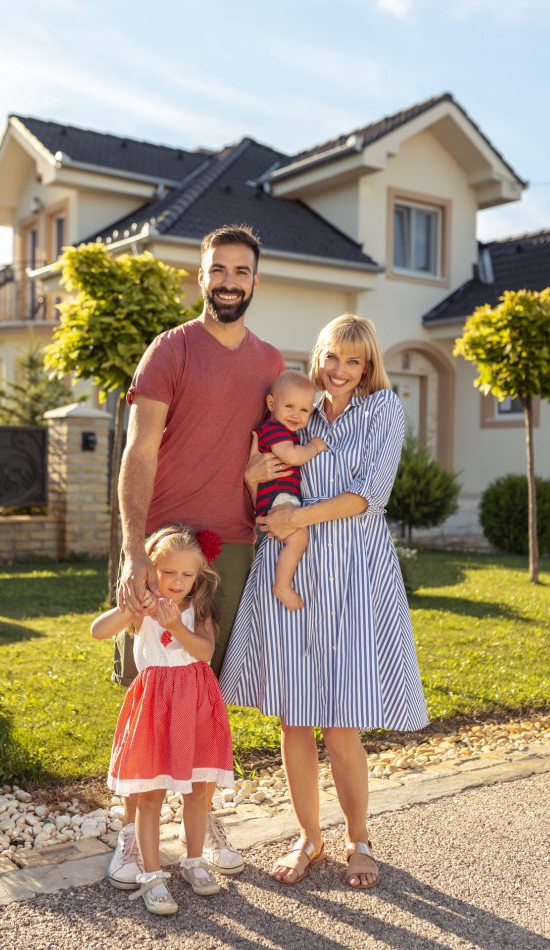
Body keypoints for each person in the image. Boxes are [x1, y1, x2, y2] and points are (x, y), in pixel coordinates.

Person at [220, 314, 428, 890]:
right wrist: (250, 474)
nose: (339, 371)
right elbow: (263, 476)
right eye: (332, 356)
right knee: (296, 718)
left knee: (340, 723)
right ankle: (309, 837)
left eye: (353, 361)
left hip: (354, 574)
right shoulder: (295, 404)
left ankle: (358, 839)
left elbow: (370, 494)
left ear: (368, 367)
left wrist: (295, 516)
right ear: (319, 355)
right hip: (289, 570)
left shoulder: (383, 408)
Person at [110, 224, 285, 888]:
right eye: (219, 270)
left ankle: (198, 820)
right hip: (160, 544)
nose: (229, 281)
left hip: (233, 547)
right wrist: (132, 551)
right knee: (146, 689)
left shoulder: (270, 363)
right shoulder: (171, 350)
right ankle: (132, 835)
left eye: (241, 271)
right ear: (202, 275)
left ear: (255, 281)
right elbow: (139, 451)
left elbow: (275, 450)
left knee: (205, 686)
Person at [92, 525, 234, 915]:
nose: (177, 582)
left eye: (187, 575)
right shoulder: (142, 608)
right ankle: (152, 876)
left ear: (199, 575)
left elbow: (204, 652)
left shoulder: (199, 607)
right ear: (151, 570)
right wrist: (130, 608)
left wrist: (176, 627)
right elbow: (97, 632)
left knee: (197, 790)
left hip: (195, 702)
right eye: (168, 572)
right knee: (150, 793)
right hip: (155, 703)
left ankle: (194, 861)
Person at [254, 371, 328, 610]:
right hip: (277, 497)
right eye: (290, 406)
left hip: (280, 496)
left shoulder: (285, 431)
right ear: (272, 404)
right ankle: (282, 585)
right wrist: (314, 447)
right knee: (299, 538)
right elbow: (293, 457)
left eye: (304, 410)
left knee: (298, 539)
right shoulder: (274, 429)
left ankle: (282, 583)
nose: (297, 415)